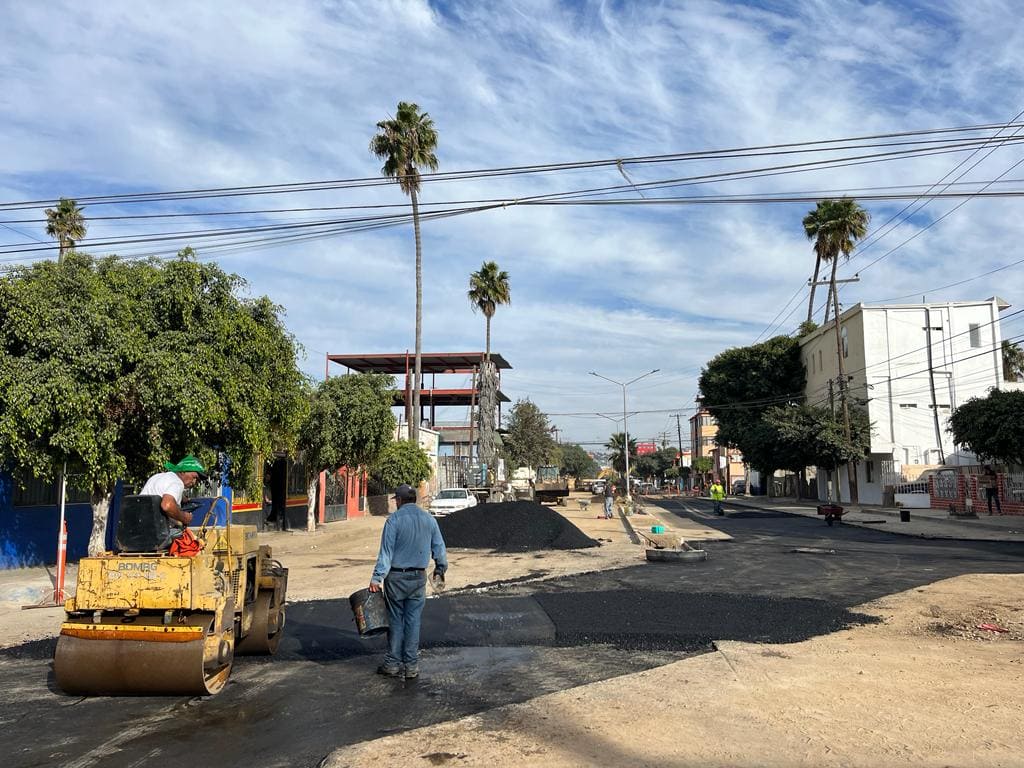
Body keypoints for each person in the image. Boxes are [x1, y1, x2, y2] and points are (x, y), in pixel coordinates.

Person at [369, 483, 448, 680]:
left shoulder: (393, 521)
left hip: (396, 578)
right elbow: (439, 549)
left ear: (400, 500)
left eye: (396, 500)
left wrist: (377, 578)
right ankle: (411, 666)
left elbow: (386, 554)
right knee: (413, 621)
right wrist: (440, 568)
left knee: (396, 621)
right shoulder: (429, 520)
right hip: (418, 578)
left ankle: (393, 664)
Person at [140, 455, 207, 528]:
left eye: (197, 480)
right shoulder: (178, 482)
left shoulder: (158, 476)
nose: (194, 482)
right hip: (154, 531)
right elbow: (167, 505)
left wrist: (181, 498)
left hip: (139, 524)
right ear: (183, 471)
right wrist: (184, 518)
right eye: (194, 477)